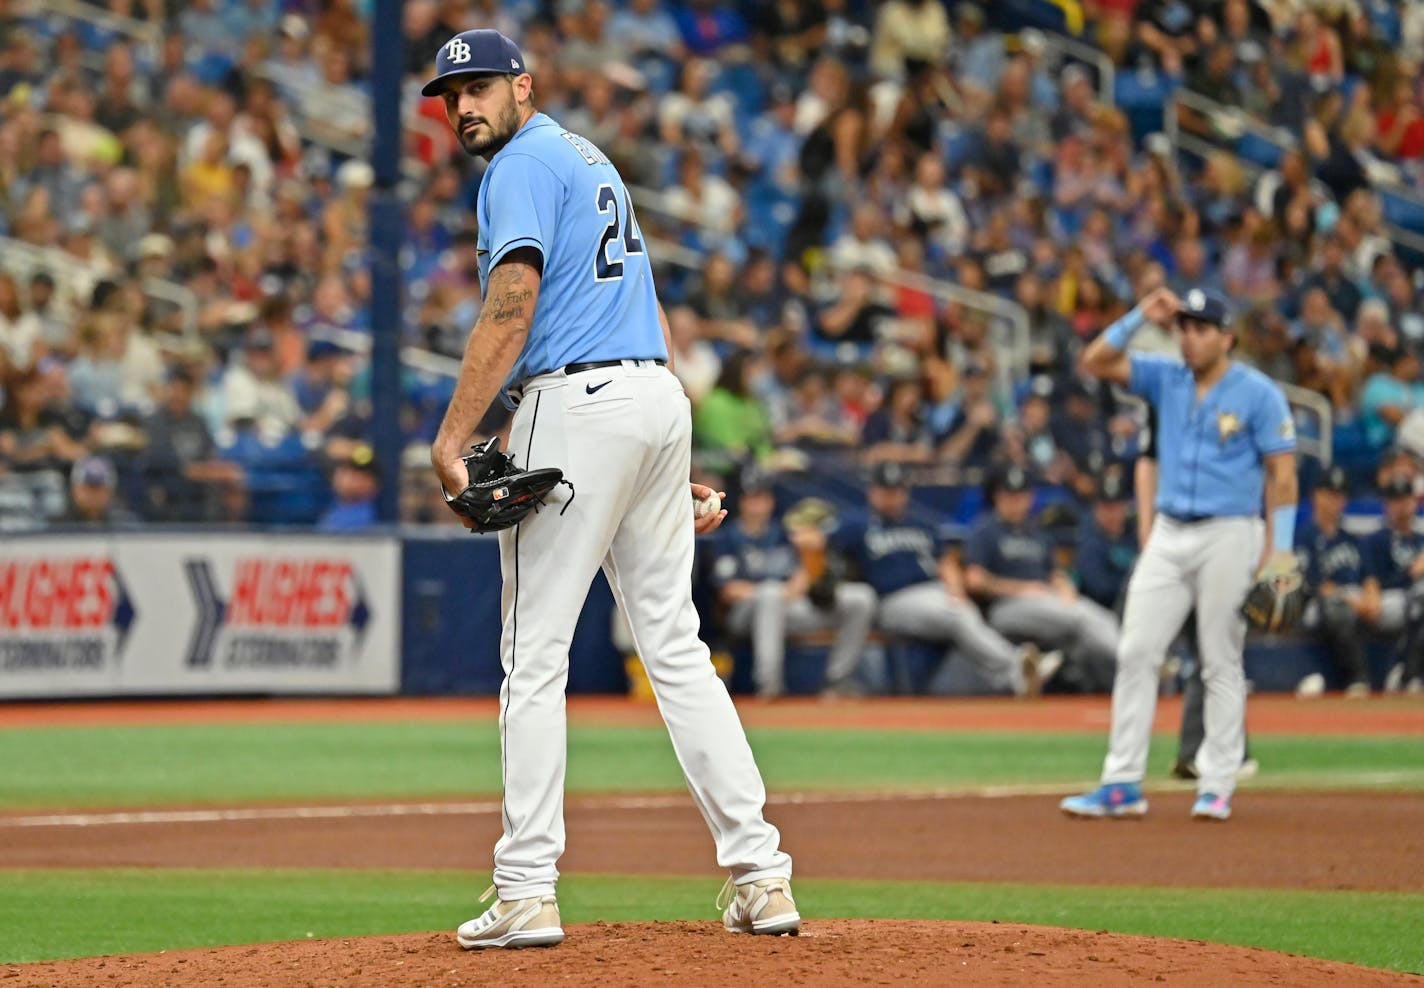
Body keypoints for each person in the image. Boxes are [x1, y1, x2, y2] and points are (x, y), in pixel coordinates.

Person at [421, 30, 797, 950]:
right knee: (675, 645)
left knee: (535, 655)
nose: (464, 106)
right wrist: (660, 452)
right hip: (651, 395)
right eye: (449, 94)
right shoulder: (591, 162)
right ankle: (762, 873)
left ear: (523, 86)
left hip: (582, 400)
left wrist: (453, 437)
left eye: (478, 87)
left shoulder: (516, 166)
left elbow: (512, 306)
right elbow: (643, 305)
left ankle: (525, 888)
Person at [1063, 286, 1299, 822]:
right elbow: (1095, 360)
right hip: (1170, 530)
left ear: (1227, 336)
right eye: (1184, 327)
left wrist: (1279, 550)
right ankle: (1122, 782)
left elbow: (1282, 476)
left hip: (1230, 531)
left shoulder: (1258, 393)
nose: (1189, 338)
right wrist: (1139, 316)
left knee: (1220, 659)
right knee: (1136, 650)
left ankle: (1216, 783)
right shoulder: (1165, 376)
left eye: (1201, 328)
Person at [831, 461, 1055, 697]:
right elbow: (828, 550)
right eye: (886, 491)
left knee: (958, 611)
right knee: (955, 614)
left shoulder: (921, 523)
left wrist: (955, 587)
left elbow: (945, 561)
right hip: (891, 601)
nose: (892, 497)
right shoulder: (855, 524)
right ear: (872, 492)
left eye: (897, 490)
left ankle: (1015, 672)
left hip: (932, 594)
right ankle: (1017, 667)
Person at [709, 470, 876, 700]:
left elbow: (805, 572)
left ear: (771, 502)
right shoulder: (729, 536)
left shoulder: (784, 533)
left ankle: (837, 681)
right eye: (751, 498)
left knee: (860, 597)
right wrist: (777, 592)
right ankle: (769, 686)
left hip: (787, 605)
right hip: (744, 614)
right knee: (769, 594)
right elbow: (729, 591)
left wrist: (795, 584)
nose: (757, 505)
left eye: (762, 498)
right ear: (743, 502)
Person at [962, 465, 1120, 693]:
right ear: (997, 497)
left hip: (1044, 604)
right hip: (1004, 608)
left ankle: (1116, 678)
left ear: (1030, 497)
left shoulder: (1036, 532)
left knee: (1084, 622)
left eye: (1021, 495)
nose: (1015, 502)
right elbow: (975, 580)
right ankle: (1138, 662)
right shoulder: (985, 529)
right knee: (1080, 617)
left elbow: (1053, 573)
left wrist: (1063, 585)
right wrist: (1021, 589)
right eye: (1009, 496)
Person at [1292, 465, 1372, 698]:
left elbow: (1368, 576)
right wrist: (1355, 602)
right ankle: (1357, 679)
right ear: (1316, 496)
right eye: (1329, 494)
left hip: (1353, 599)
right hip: (1311, 606)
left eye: (1339, 495)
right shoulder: (1304, 537)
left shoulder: (1348, 537)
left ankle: (1407, 675)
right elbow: (1318, 586)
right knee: (1336, 608)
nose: (1335, 501)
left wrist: (1370, 596)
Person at [1362, 476, 1424, 694]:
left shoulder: (1421, 537)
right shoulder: (1377, 539)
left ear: (1414, 502)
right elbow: (1375, 580)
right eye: (1395, 500)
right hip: (1390, 598)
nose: (1401, 505)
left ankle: (1406, 672)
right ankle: (1409, 674)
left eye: (1405, 499)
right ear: (1386, 504)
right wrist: (1412, 573)